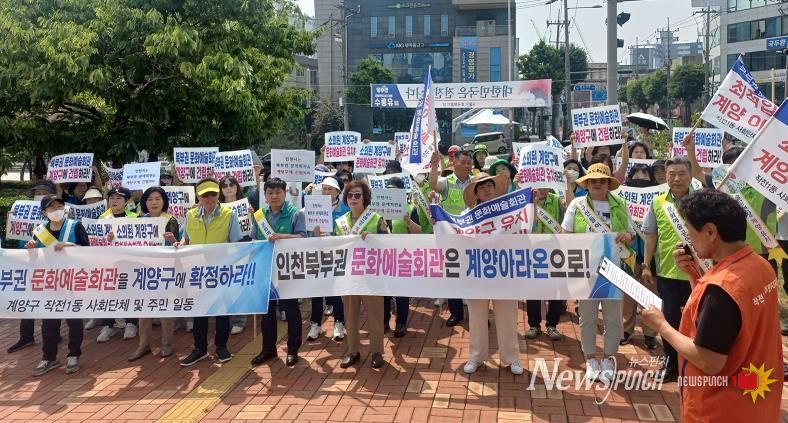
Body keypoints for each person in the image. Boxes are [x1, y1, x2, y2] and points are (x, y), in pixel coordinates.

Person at [642, 189, 783, 422]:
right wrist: (694, 274)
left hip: (720, 407)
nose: (688, 238)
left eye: (689, 231)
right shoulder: (760, 265)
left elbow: (710, 361)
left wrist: (662, 326)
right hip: (757, 398)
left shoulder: (723, 288)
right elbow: (729, 319)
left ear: (710, 231)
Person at [562, 163, 634, 383]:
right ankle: (591, 358)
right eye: (593, 181)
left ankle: (609, 358)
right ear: (587, 183)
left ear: (608, 184)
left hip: (613, 269)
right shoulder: (577, 204)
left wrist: (625, 236)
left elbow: (631, 234)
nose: (597, 184)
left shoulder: (620, 205)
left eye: (602, 181)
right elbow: (566, 233)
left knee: (613, 317)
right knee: (587, 317)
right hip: (586, 269)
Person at [175, 177, 245, 366]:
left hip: (221, 269)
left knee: (221, 311)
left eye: (213, 194)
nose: (209, 199)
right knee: (200, 311)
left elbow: (236, 242)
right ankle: (200, 349)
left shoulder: (228, 214)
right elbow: (185, 239)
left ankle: (221, 347)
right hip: (197, 270)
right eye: (205, 195)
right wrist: (179, 244)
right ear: (198, 196)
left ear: (218, 194)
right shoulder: (191, 215)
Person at [460, 172, 524, 375]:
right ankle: (476, 357)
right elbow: (452, 237)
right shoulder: (465, 216)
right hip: (476, 274)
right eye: (482, 187)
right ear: (476, 194)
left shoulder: (508, 214)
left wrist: (532, 204)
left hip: (504, 273)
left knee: (507, 317)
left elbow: (524, 228)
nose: (487, 189)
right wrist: (439, 224)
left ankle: (512, 358)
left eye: (490, 185)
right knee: (477, 317)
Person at [641, 157, 696, 381]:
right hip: (667, 272)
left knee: (698, 321)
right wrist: (646, 264)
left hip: (698, 273)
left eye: (682, 173)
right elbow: (651, 235)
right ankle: (671, 363)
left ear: (690, 175)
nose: (677, 178)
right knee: (670, 320)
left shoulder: (701, 200)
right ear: (665, 175)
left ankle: (695, 364)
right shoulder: (658, 202)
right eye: (672, 173)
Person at [28, 194, 90, 376]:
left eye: (59, 206)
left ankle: (73, 354)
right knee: (48, 322)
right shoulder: (39, 230)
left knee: (74, 320)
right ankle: (49, 357)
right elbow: (34, 259)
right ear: (44, 212)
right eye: (51, 207)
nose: (56, 210)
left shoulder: (74, 226)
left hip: (72, 279)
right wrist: (31, 248)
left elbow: (90, 252)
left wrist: (71, 245)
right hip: (49, 281)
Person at [250, 178, 306, 367]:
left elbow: (303, 237)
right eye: (270, 193)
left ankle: (292, 349)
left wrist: (282, 237)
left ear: (285, 194)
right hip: (265, 270)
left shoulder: (295, 214)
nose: (274, 196)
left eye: (278, 192)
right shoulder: (259, 216)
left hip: (288, 270)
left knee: (291, 310)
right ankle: (268, 349)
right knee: (267, 312)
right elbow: (253, 241)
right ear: (265, 195)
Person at [334, 180, 389, 369]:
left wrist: (375, 239)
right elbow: (334, 247)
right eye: (350, 195)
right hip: (348, 275)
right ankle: (353, 350)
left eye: (358, 195)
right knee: (350, 313)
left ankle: (376, 351)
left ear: (365, 198)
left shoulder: (376, 218)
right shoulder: (339, 223)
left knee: (375, 314)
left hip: (372, 274)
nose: (354, 198)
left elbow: (387, 244)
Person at [127, 187, 180, 361]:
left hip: (164, 270)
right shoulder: (139, 220)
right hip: (143, 270)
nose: (154, 202)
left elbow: (179, 246)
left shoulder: (171, 220)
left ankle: (167, 344)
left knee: (164, 308)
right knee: (143, 309)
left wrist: (174, 241)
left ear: (164, 201)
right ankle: (143, 345)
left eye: (157, 198)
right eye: (150, 199)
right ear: (145, 202)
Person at [6, 180, 58, 354]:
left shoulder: (55, 217)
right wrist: (11, 221)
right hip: (27, 261)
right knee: (27, 299)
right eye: (37, 191)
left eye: (44, 191)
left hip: (48, 263)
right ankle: (26, 336)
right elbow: (12, 239)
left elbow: (54, 243)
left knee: (49, 299)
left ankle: (53, 333)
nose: (40, 194)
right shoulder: (22, 213)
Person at [429, 150, 473, 326]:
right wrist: (434, 165)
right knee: (453, 274)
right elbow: (433, 183)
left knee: (472, 275)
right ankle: (456, 313)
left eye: (469, 163)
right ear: (454, 162)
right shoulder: (446, 182)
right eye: (463, 162)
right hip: (450, 238)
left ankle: (478, 314)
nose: (466, 166)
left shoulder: (476, 183)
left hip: (471, 237)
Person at [91, 187, 139, 341]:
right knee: (107, 293)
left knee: (129, 292)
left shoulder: (135, 218)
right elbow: (94, 241)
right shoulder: (101, 219)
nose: (115, 201)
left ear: (126, 201)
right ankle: (108, 325)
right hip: (107, 263)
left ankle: (131, 323)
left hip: (128, 263)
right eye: (112, 198)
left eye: (119, 198)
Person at [620, 165, 658, 350]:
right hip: (629, 252)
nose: (641, 178)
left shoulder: (658, 200)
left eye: (645, 175)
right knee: (628, 293)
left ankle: (650, 334)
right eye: (636, 175)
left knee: (650, 294)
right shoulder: (621, 200)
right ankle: (626, 330)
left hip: (652, 255)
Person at [306, 176, 347, 342]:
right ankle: (315, 324)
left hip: (337, 256)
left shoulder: (345, 209)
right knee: (316, 292)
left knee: (337, 292)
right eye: (324, 188)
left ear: (338, 192)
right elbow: (306, 232)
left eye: (330, 189)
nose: (326, 191)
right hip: (317, 255)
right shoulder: (311, 207)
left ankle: (339, 323)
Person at [382, 176, 421, 338]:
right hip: (382, 257)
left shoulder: (410, 208)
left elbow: (418, 231)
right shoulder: (378, 210)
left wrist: (408, 221)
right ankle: (384, 321)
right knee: (383, 292)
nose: (392, 194)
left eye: (395, 190)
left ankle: (401, 323)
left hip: (402, 257)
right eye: (389, 190)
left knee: (401, 292)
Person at [525, 188, 565, 342]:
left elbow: (569, 207)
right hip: (533, 251)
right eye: (537, 184)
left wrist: (566, 183)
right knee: (533, 290)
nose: (540, 188)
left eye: (544, 184)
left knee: (556, 290)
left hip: (555, 251)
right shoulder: (526, 201)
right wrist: (532, 204)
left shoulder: (556, 200)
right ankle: (534, 325)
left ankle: (552, 325)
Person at [218, 175, 250, 335]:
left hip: (242, 246)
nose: (228, 187)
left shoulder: (246, 205)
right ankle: (226, 317)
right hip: (222, 249)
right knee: (225, 284)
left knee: (239, 283)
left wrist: (253, 214)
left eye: (231, 184)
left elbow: (253, 228)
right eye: (224, 185)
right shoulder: (216, 208)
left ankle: (239, 319)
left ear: (237, 187)